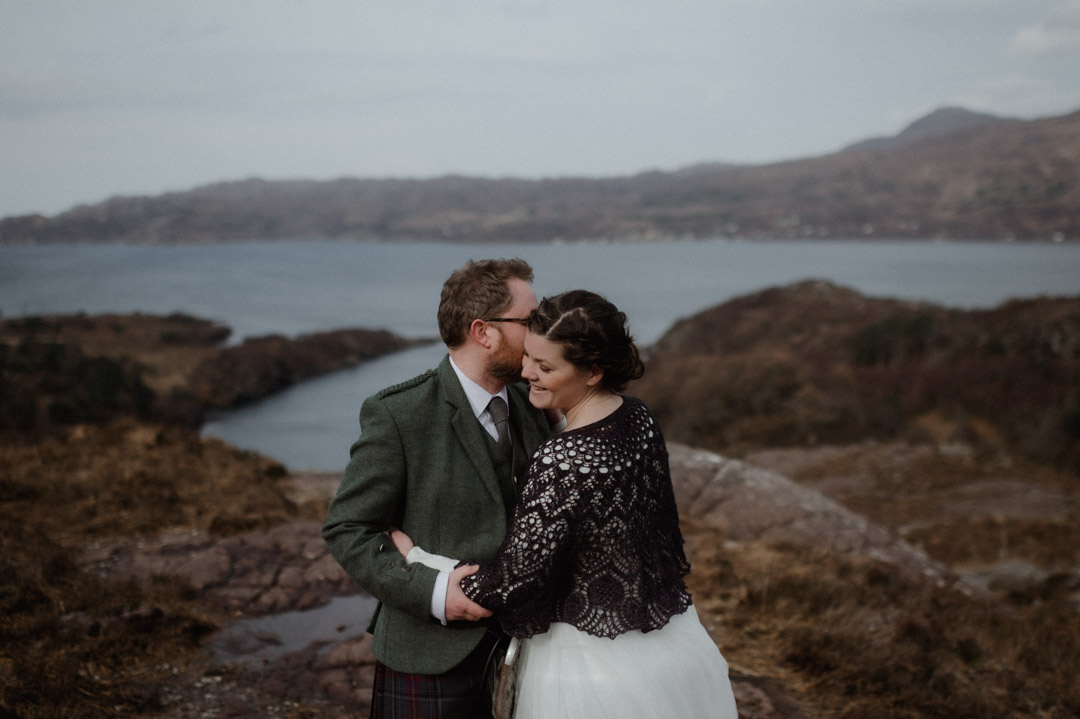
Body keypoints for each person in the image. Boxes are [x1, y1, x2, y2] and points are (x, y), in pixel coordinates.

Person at [392, 289, 739, 719]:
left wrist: (420, 561)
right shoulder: (638, 418)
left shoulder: (563, 458)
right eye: (528, 358)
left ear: (592, 372)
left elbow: (516, 581)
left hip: (588, 667)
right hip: (665, 643)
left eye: (545, 366)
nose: (526, 373)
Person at [322, 258, 554, 718]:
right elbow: (348, 528)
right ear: (483, 332)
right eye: (531, 322)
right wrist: (434, 589)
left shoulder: (537, 400)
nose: (542, 335)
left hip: (536, 649)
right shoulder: (400, 413)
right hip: (430, 653)